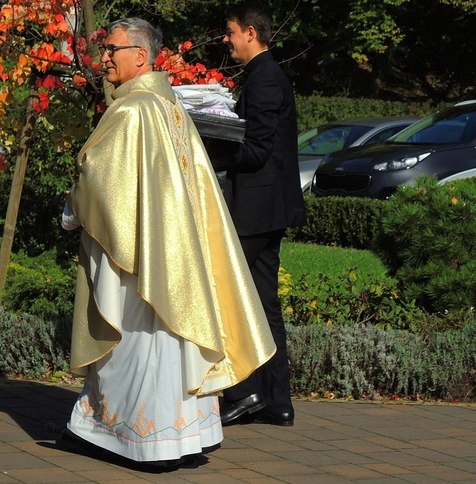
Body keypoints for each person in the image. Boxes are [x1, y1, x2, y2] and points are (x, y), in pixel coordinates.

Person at [57, 18, 276, 468]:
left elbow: (101, 181)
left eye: (112, 49)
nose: (104, 58)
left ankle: (142, 440)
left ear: (140, 55)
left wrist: (73, 204)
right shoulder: (170, 104)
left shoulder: (133, 109)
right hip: (173, 251)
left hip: (139, 254)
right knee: (169, 342)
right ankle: (181, 438)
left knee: (136, 341)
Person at [218, 0, 307, 427]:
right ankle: (277, 401)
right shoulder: (264, 76)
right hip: (266, 208)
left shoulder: (266, 78)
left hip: (255, 209)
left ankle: (244, 391)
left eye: (231, 32)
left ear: (250, 33)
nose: (227, 40)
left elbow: (255, 151)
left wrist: (210, 144)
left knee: (225, 292)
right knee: (265, 302)